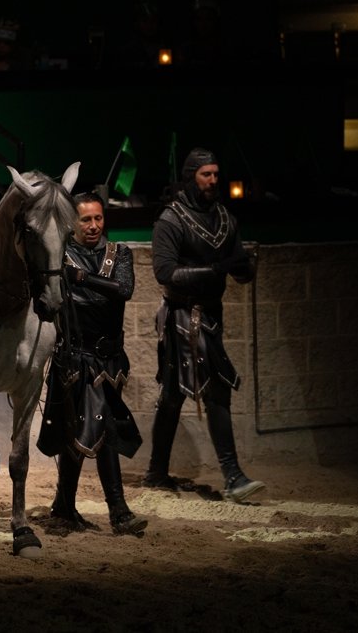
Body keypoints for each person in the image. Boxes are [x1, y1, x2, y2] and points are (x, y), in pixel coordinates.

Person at [143, 147, 267, 503]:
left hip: (211, 316)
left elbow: (239, 266)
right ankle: (232, 476)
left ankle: (156, 471)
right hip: (181, 317)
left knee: (175, 394)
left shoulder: (225, 219)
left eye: (215, 174)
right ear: (191, 177)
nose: (213, 181)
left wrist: (244, 268)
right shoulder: (172, 219)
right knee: (207, 390)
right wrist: (216, 269)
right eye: (206, 175)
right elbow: (164, 272)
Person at [37, 190, 148, 535]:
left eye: (98, 218)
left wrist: (83, 281)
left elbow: (123, 289)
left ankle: (63, 506)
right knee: (102, 430)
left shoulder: (120, 254)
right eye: (86, 219)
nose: (94, 225)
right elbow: (55, 303)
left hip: (111, 360)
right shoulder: (61, 257)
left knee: (80, 431)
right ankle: (119, 512)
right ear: (72, 222)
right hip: (76, 358)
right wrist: (93, 290)